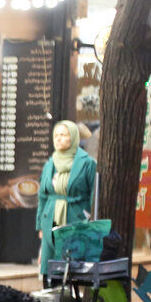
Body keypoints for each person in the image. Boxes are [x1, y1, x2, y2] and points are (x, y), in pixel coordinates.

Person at [37, 120, 97, 282]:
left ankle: (73, 301)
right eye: (56, 135)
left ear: (73, 138)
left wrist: (90, 219)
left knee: (74, 267)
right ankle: (52, 296)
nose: (58, 139)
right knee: (50, 267)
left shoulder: (87, 163)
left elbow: (94, 193)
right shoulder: (50, 164)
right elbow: (43, 196)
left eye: (63, 135)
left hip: (76, 218)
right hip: (51, 219)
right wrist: (40, 226)